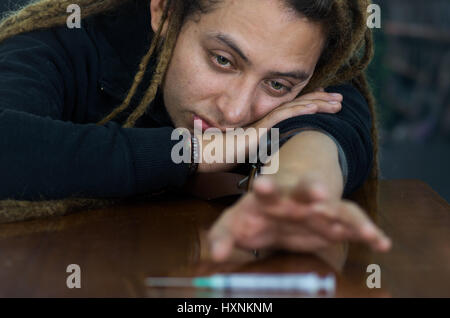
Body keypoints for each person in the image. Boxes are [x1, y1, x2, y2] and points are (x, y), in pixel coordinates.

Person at [0, 0, 391, 261]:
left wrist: (293, 187)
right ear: (166, 11)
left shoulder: (313, 77)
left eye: (276, 86)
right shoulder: (64, 41)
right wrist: (192, 152)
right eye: (223, 60)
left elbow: (325, 132)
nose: (235, 110)